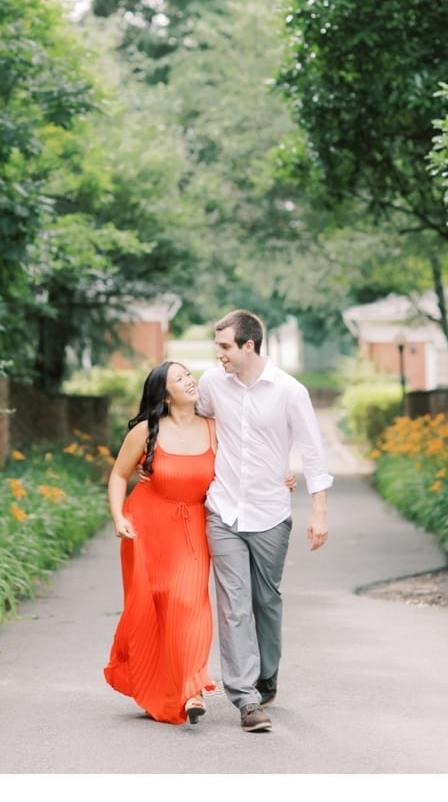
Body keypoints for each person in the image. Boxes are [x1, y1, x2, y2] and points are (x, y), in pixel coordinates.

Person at [196, 309, 331, 733]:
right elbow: (189, 419)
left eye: (224, 346)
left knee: (266, 599)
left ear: (248, 345)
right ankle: (245, 698)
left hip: (271, 512)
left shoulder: (290, 391)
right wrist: (151, 459)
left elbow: (312, 450)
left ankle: (267, 671)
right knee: (234, 604)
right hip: (223, 510)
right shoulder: (211, 383)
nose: (217, 354)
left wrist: (319, 511)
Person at [103, 361, 218, 725]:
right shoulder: (145, 431)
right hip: (147, 526)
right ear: (165, 395)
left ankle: (192, 687)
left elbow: (245, 466)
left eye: (189, 375)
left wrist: (280, 479)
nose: (189, 381)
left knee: (189, 603)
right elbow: (119, 475)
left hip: (193, 528)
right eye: (179, 379)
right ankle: (159, 684)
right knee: (153, 607)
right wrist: (118, 516)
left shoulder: (215, 429)